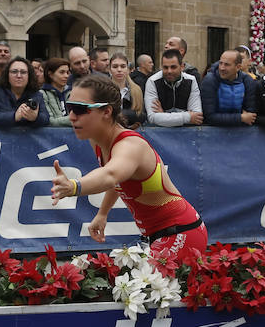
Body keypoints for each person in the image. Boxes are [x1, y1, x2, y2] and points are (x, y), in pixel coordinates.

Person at [50, 75, 206, 260]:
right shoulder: (98, 139)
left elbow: (110, 175)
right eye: (69, 108)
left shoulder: (130, 146)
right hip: (161, 234)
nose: (71, 116)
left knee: (141, 288)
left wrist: (73, 186)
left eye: (79, 109)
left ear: (107, 111)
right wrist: (102, 213)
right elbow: (119, 179)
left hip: (181, 233)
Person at [144, 48, 203, 126]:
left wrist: (163, 115)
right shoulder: (152, 81)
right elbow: (152, 118)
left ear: (182, 67)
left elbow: (197, 117)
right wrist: (187, 117)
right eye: (165, 67)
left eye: (173, 67)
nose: (169, 71)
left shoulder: (191, 80)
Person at [200, 49, 258, 126]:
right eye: (220, 63)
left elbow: (250, 116)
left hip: (241, 132)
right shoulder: (210, 80)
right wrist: (240, 118)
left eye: (227, 65)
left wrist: (244, 118)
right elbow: (209, 116)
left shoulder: (248, 81)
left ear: (238, 67)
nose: (222, 68)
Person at [0, 55, 47, 128]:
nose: (19, 76)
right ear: (7, 74)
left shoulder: (36, 94)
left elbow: (46, 118)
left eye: (23, 72)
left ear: (29, 75)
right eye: (14, 72)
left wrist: (35, 118)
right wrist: (14, 116)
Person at [109, 53, 146, 127]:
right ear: (109, 69)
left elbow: (142, 116)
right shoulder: (102, 89)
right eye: (115, 66)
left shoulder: (137, 90)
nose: (119, 70)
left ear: (128, 69)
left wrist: (121, 114)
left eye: (123, 66)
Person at [40, 56, 72, 127]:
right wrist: (72, 119)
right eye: (62, 72)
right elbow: (50, 121)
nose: (66, 76)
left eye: (67, 72)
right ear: (50, 74)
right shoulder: (42, 94)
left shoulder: (71, 93)